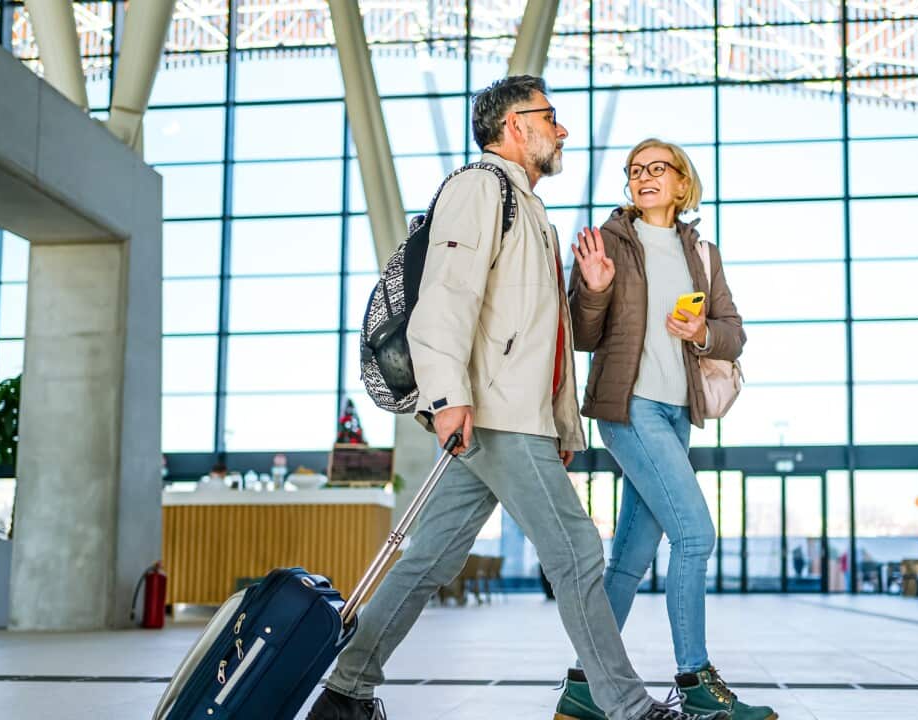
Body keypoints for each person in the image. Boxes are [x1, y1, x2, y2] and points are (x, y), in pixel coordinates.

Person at [306, 77, 715, 720]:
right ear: (515, 127)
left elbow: (536, 336)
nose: (562, 129)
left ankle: (344, 693)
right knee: (579, 553)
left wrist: (561, 426)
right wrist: (445, 397)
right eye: (550, 117)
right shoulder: (480, 188)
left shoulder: (527, 206)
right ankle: (627, 708)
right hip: (493, 414)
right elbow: (447, 297)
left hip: (510, 415)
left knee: (432, 557)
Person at [555, 138, 774, 720]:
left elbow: (733, 333)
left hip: (679, 414)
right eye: (634, 170)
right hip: (629, 410)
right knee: (696, 537)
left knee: (630, 559)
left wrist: (702, 331)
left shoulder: (701, 250)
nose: (644, 176)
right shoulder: (608, 242)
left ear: (682, 183)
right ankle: (695, 680)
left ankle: (583, 689)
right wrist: (595, 288)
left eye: (657, 168)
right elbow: (581, 332)